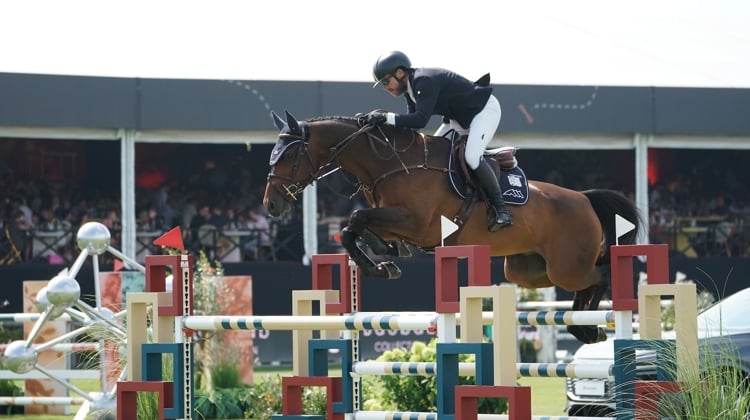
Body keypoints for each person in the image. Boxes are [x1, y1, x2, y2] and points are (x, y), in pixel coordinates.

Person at [366, 51, 512, 231]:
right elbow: (411, 128)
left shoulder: (423, 80)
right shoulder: (410, 90)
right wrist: (379, 127)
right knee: (429, 152)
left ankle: (502, 210)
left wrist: (386, 117)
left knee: (472, 157)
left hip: (483, 111)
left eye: (386, 82)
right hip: (458, 118)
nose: (385, 88)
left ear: (400, 73)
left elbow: (420, 120)